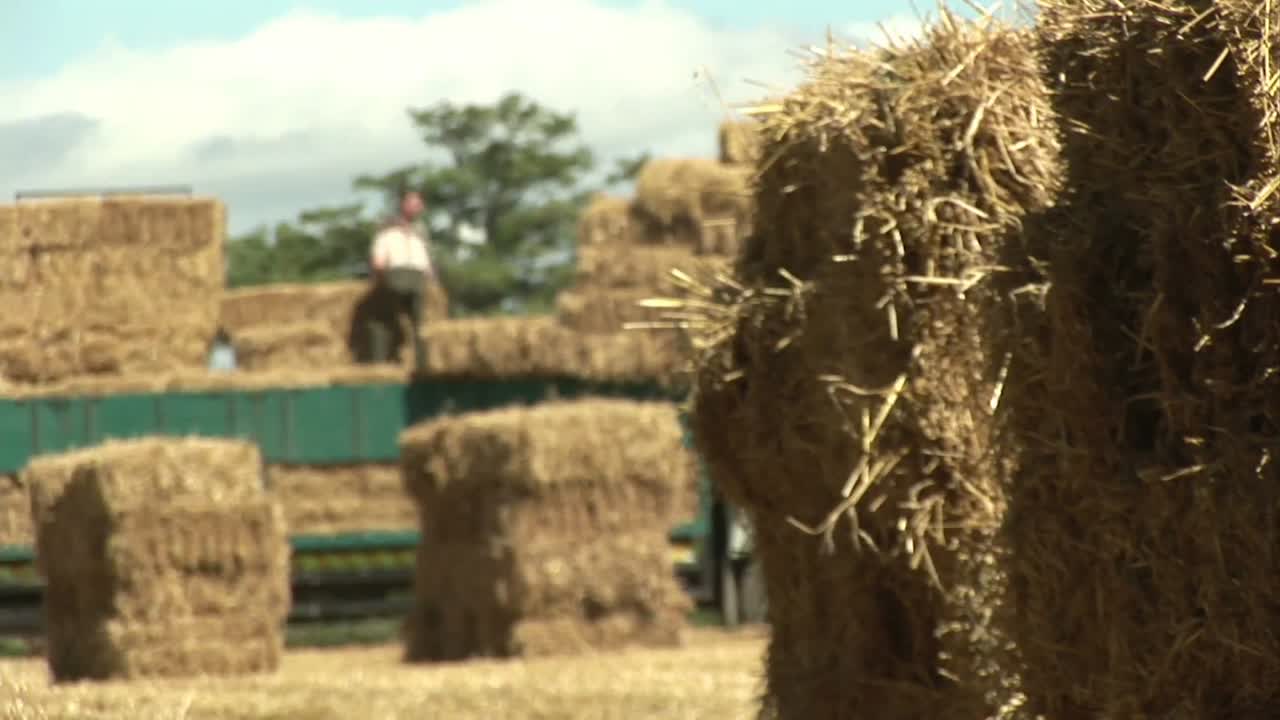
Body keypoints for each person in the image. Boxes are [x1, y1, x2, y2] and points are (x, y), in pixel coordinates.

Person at [367, 189, 434, 371]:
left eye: (419, 204)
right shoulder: (390, 232)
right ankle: (421, 364)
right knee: (417, 323)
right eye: (414, 203)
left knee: (385, 321)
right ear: (403, 205)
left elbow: (378, 263)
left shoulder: (417, 234)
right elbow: (379, 261)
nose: (418, 207)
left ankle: (382, 363)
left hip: (408, 276)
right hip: (404, 276)